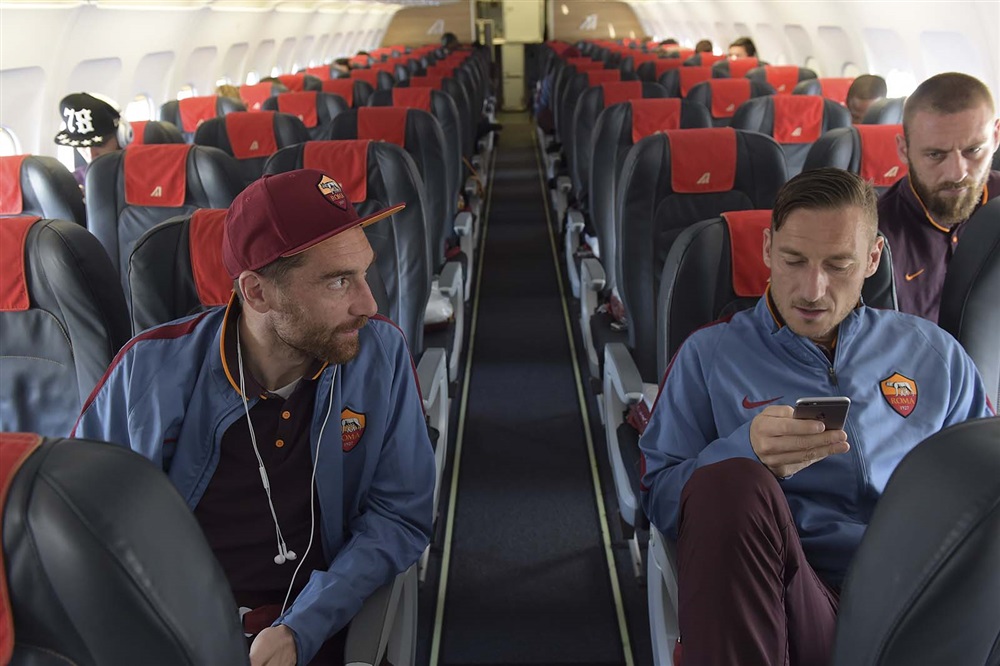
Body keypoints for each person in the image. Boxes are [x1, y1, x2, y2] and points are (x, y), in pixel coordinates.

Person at [73, 168, 436, 666]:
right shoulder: (146, 374)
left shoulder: (380, 354)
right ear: (258, 292)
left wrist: (302, 627)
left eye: (364, 272)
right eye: (338, 281)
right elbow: (87, 526)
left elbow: (397, 514)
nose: (368, 303)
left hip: (320, 627)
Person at [640, 167, 992, 666]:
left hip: (919, 595)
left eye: (838, 265)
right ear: (767, 249)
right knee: (730, 483)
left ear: (872, 259)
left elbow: (984, 478)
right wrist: (746, 452)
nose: (812, 289)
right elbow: (660, 495)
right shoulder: (709, 356)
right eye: (794, 260)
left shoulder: (934, 353)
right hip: (792, 596)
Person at [878, 72, 1000, 322]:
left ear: (996, 137)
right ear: (904, 149)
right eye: (935, 154)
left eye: (974, 150)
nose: (957, 173)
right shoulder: (876, 234)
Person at [53, 92, 130, 188]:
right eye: (82, 146)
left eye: (99, 145)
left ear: (121, 138)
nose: (91, 154)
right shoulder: (72, 182)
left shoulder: (141, 176)